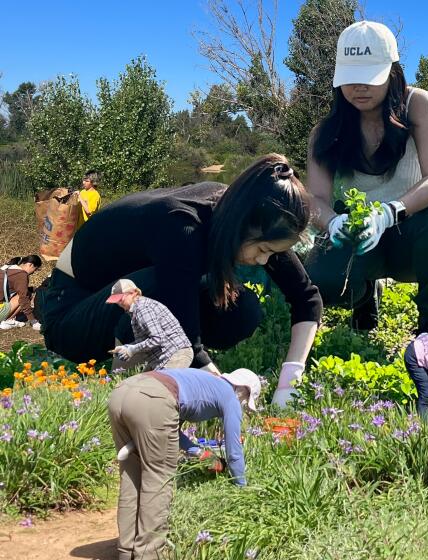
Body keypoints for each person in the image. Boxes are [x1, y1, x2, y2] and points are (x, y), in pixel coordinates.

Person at [40, 154, 322, 408]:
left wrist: (290, 378)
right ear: (241, 224)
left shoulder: (251, 216)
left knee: (242, 309)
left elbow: (306, 298)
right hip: (70, 315)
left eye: (271, 253)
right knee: (153, 292)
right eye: (261, 250)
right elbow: (186, 334)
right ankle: (125, 388)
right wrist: (221, 392)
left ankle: (159, 366)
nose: (264, 260)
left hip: (127, 297)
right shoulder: (182, 227)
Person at [304, 21, 428, 335]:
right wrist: (335, 222)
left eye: (369, 78)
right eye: (351, 79)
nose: (359, 88)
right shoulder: (326, 131)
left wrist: (388, 213)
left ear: (392, 72)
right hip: (358, 234)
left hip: (411, 228)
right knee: (323, 279)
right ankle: (364, 297)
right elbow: (315, 199)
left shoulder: (418, 105)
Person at [108, 367, 260, 560]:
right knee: (157, 480)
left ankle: (126, 551)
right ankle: (147, 554)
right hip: (153, 398)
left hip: (122, 392)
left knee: (131, 476)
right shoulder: (230, 396)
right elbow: (234, 452)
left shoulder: (203, 381)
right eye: (246, 401)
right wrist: (241, 486)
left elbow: (169, 428)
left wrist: (199, 453)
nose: (243, 404)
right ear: (243, 390)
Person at [105, 279, 194, 370]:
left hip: (175, 355)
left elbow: (157, 338)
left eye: (121, 299)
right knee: (141, 382)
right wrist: (127, 347)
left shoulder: (143, 309)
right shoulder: (136, 309)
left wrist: (132, 350)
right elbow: (147, 339)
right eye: (116, 301)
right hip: (162, 359)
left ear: (133, 293)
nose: (119, 304)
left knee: (157, 384)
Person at [0, 255, 42, 331]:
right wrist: (33, 321)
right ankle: (7, 320)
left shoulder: (7, 268)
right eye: (35, 269)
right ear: (30, 265)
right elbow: (23, 298)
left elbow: (8, 287)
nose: (33, 272)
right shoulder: (21, 274)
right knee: (27, 294)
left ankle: (7, 320)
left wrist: (33, 288)